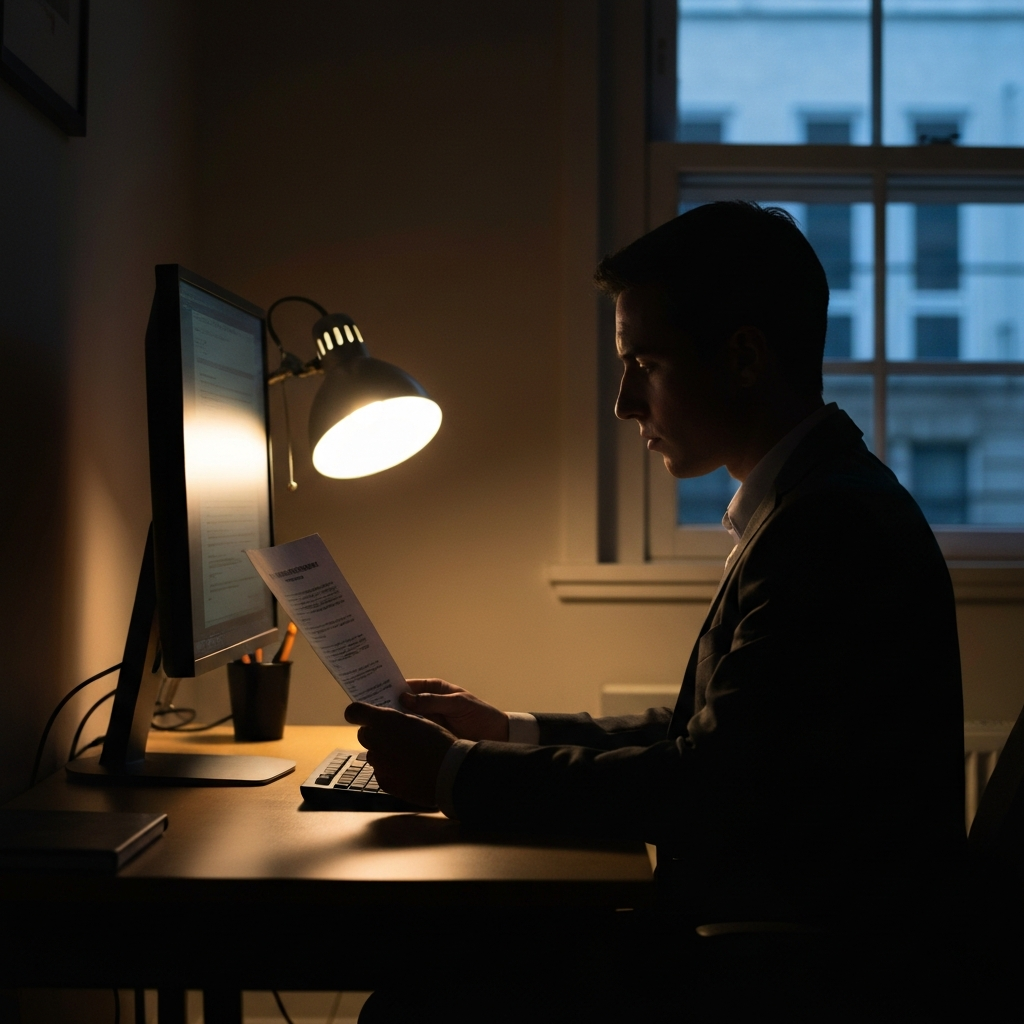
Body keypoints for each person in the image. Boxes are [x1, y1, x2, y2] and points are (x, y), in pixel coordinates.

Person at [348, 202, 966, 1018]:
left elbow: (709, 785)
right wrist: (508, 732)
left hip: (789, 968)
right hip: (762, 931)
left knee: (424, 992)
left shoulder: (828, 528)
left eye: (644, 362)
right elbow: (713, 738)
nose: (623, 401)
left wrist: (453, 773)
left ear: (743, 357)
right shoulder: (814, 500)